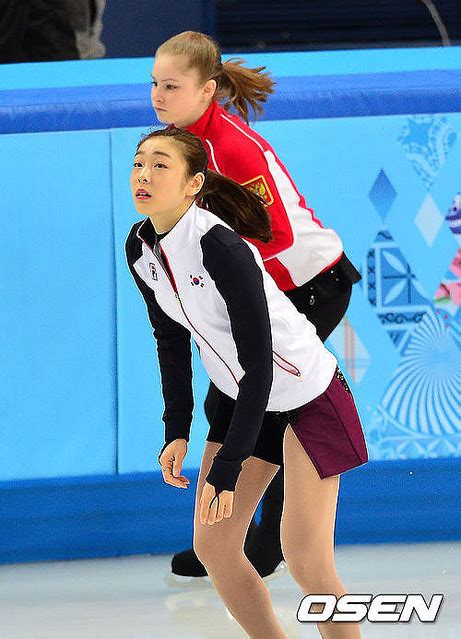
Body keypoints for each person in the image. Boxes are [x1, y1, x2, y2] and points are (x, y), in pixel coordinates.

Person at [125, 126, 368, 638]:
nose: (144, 175)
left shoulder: (220, 247)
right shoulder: (141, 247)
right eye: (138, 162)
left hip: (309, 398)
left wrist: (229, 467)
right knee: (215, 547)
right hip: (246, 399)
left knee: (307, 560)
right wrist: (177, 429)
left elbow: (260, 364)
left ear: (194, 184)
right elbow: (170, 341)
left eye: (160, 164)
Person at [149, 30, 362, 582]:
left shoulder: (236, 150)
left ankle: (261, 540)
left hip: (311, 283)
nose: (158, 95)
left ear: (207, 91)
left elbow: (279, 236)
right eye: (154, 83)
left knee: (261, 394)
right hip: (275, 284)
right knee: (235, 391)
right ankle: (229, 534)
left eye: (171, 86)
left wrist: (230, 281)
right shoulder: (179, 142)